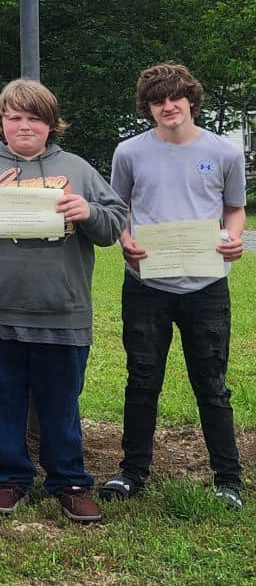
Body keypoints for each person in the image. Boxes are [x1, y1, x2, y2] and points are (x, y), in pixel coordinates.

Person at [0, 79, 126, 523]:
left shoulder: (76, 169)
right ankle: (9, 477)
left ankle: (69, 481)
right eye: (14, 117)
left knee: (60, 402)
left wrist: (89, 212)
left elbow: (114, 223)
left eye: (34, 118)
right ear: (1, 122)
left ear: (50, 124)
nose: (23, 126)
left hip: (60, 311)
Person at [102, 63, 246, 509]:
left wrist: (234, 238)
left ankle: (228, 479)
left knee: (213, 384)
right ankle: (132, 472)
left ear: (191, 100)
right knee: (142, 379)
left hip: (206, 285)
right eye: (157, 101)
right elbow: (117, 206)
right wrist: (126, 240)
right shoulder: (128, 152)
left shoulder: (225, 152)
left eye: (175, 99)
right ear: (147, 108)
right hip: (147, 284)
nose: (168, 107)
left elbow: (234, 207)